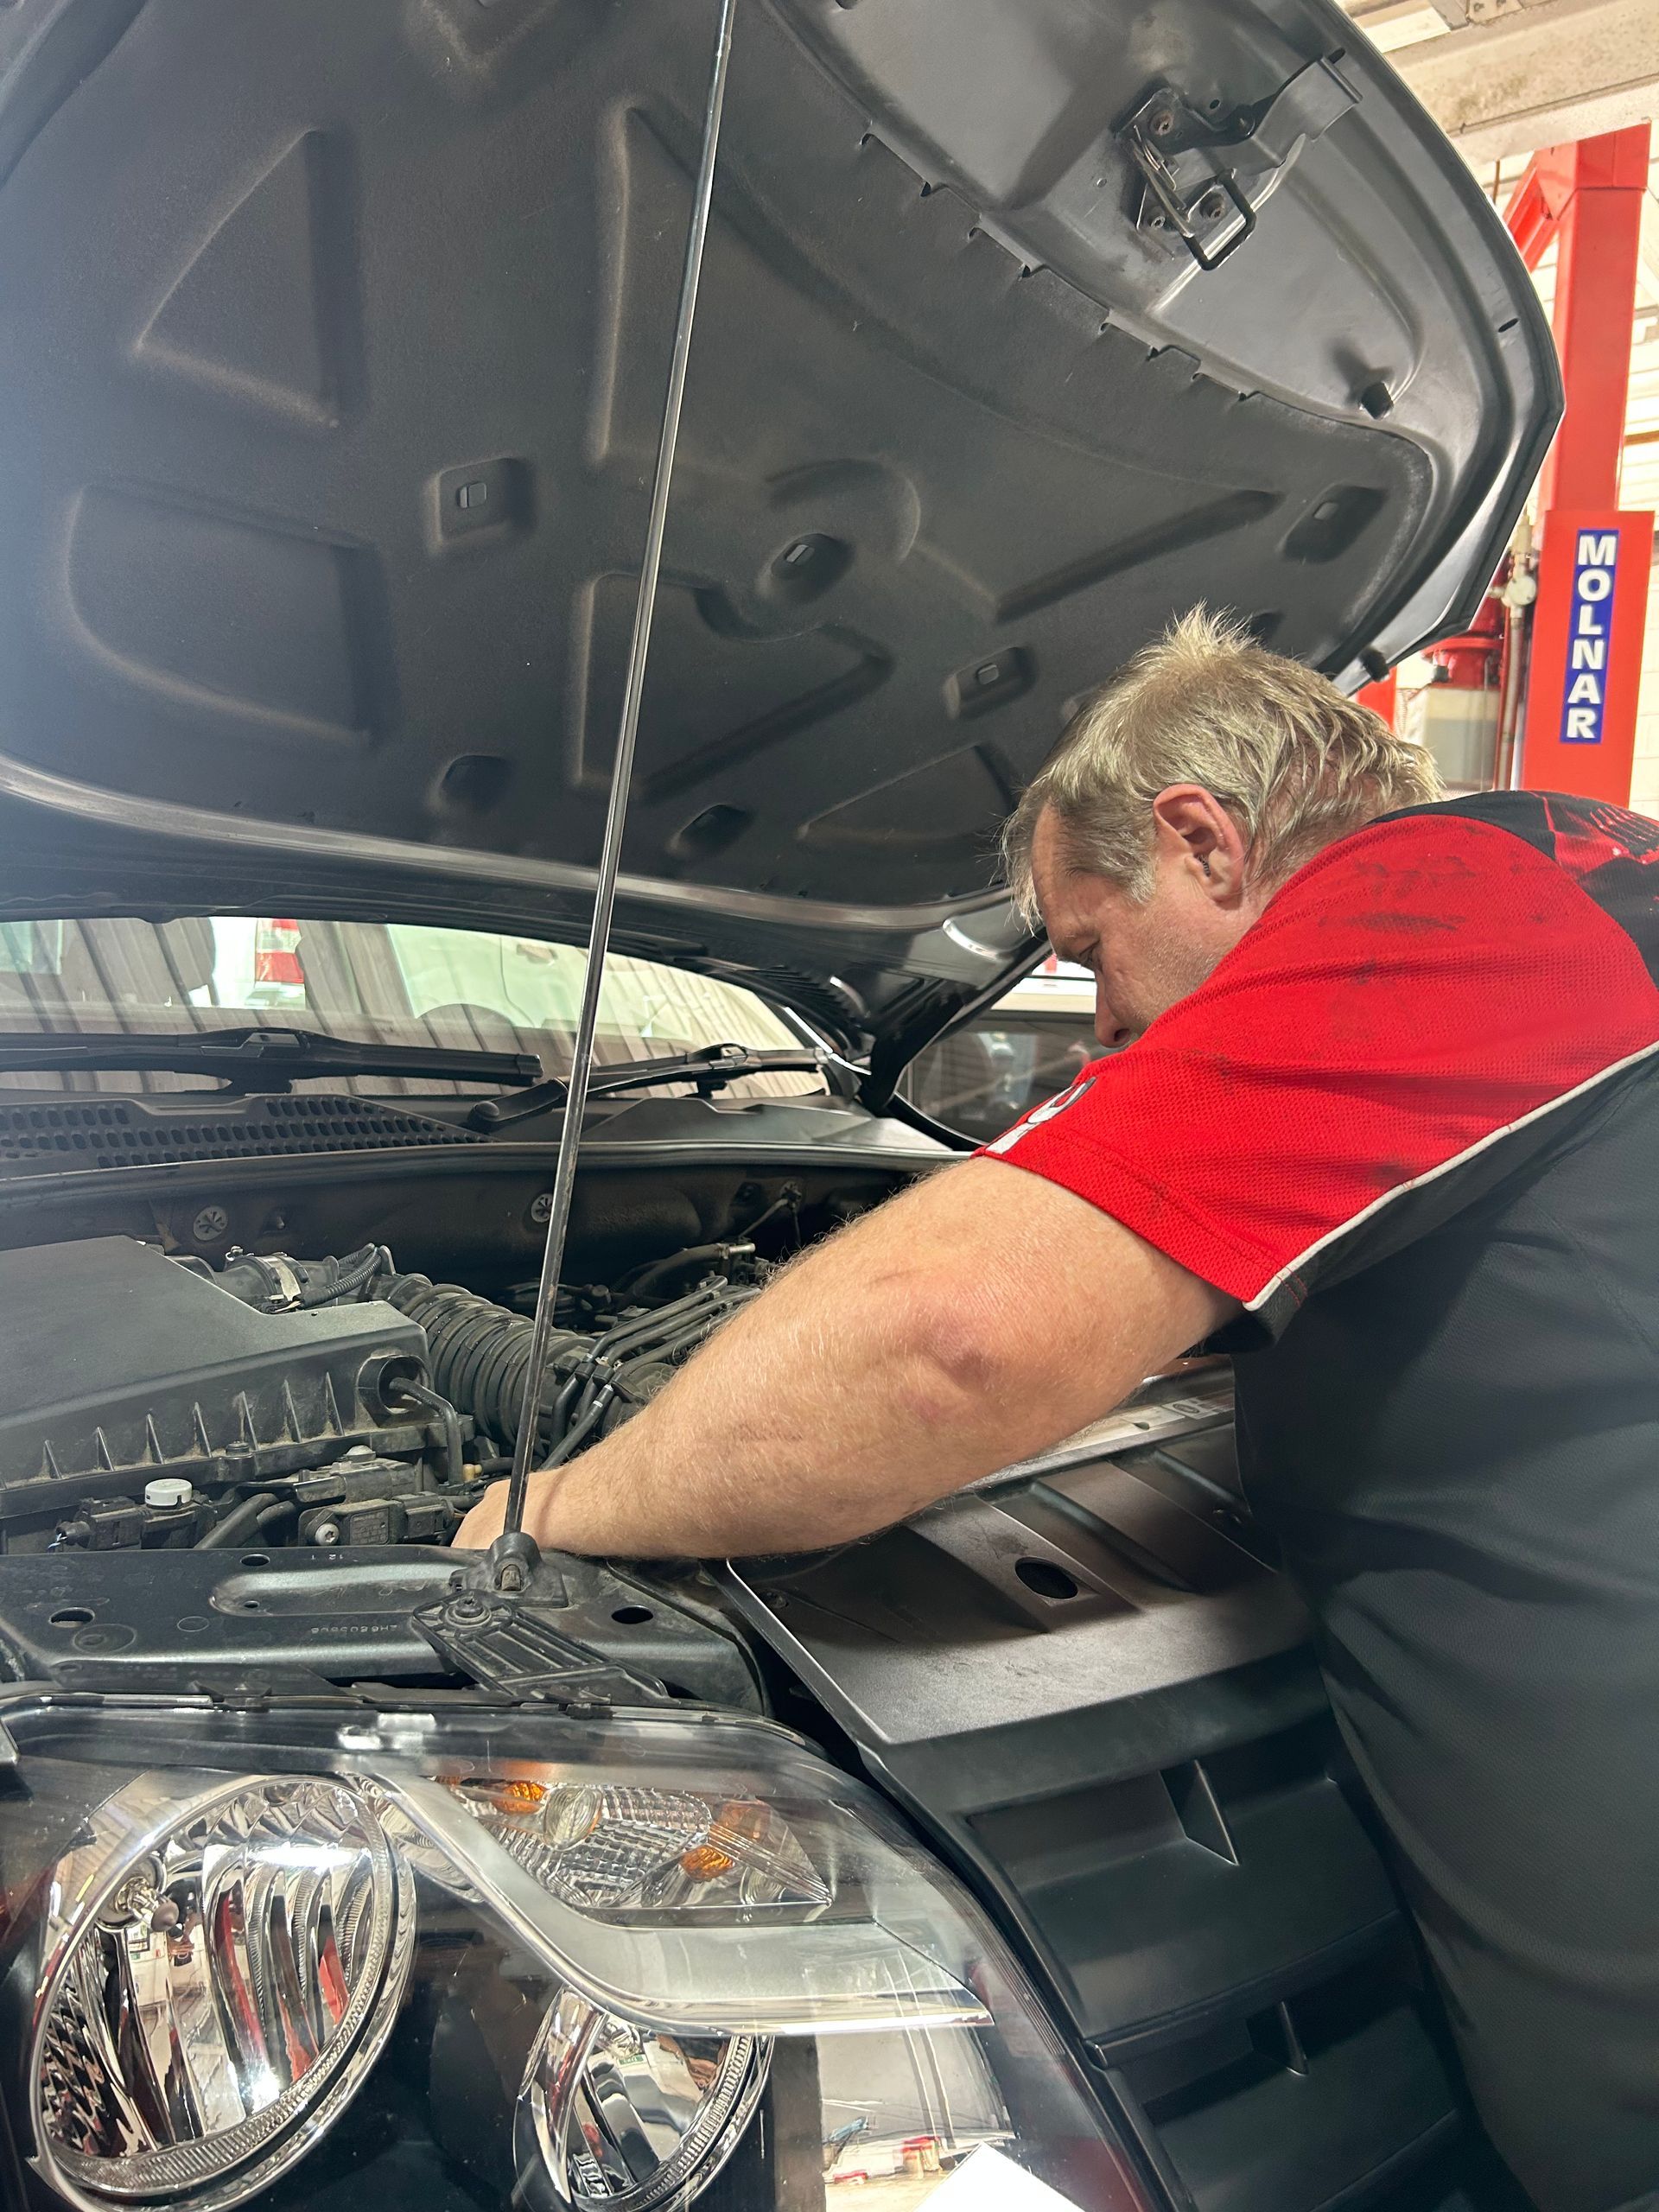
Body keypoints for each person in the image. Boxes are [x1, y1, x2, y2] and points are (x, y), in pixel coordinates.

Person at [460, 608, 1659, 2212]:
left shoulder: (1453, 906)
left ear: (1202, 839)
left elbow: (952, 1341)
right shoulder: (1593, 876)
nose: (1094, 1016)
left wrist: (551, 1511)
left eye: (1091, 946)